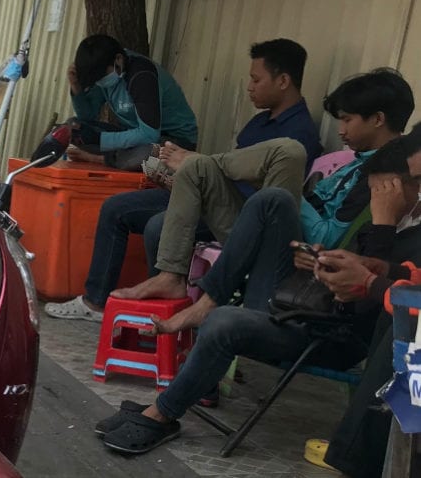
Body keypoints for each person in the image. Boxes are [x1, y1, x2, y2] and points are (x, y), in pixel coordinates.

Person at [98, 127, 421, 456]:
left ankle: (162, 413)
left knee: (226, 322)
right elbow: (359, 271)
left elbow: (374, 309)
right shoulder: (382, 223)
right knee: (273, 200)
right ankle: (208, 300)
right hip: (302, 302)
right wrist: (323, 262)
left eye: (386, 188)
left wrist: (383, 227)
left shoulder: (398, 230)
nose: (378, 196)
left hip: (329, 335)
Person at [46, 39, 321, 321]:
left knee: (157, 224)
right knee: (116, 207)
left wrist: (198, 168)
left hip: (237, 215)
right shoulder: (259, 123)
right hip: (207, 192)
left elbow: (268, 198)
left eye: (255, 79)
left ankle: (158, 307)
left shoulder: (297, 136)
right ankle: (96, 303)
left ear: (283, 80)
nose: (249, 87)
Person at [113, 68, 414, 309]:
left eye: (347, 120)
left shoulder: (383, 176)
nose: (340, 130)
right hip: (265, 227)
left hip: (295, 253)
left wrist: (285, 186)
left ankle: (206, 160)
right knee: (198, 172)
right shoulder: (353, 162)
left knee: (290, 151)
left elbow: (328, 238)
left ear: (377, 120)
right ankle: (170, 275)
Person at [64, 34, 198, 166]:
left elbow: (149, 134)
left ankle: (102, 159)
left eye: (102, 77)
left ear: (118, 59)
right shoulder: (104, 73)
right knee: (73, 128)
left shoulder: (142, 75)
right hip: (134, 134)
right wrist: (76, 87)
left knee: (149, 154)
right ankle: (117, 157)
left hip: (173, 140)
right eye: (96, 80)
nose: (100, 82)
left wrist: (100, 139)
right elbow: (87, 116)